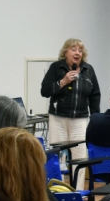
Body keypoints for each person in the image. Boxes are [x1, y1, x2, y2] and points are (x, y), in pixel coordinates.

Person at [40, 38, 101, 188]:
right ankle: (58, 190)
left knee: (80, 157)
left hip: (80, 119)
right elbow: (45, 91)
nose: (77, 53)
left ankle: (78, 192)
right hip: (58, 118)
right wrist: (63, 82)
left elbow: (95, 95)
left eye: (80, 50)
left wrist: (94, 118)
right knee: (56, 157)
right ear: (65, 52)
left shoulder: (88, 70)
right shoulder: (56, 68)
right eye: (73, 49)